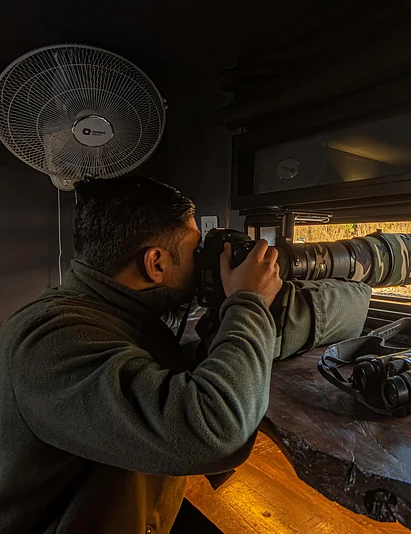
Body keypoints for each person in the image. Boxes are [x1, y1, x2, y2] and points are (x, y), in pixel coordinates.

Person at [0, 176, 371, 533]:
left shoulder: (113, 313)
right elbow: (216, 430)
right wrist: (250, 301)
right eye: (196, 250)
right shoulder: (51, 341)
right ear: (156, 263)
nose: (204, 259)